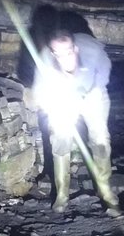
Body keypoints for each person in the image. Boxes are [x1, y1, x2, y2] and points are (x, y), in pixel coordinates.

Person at [37, 30, 119, 215]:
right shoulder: (45, 61)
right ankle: (62, 195)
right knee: (60, 141)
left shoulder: (92, 50)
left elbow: (104, 71)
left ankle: (105, 191)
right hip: (64, 96)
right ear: (52, 53)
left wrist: (92, 89)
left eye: (67, 52)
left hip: (93, 92)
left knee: (100, 139)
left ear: (75, 48)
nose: (63, 57)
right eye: (58, 54)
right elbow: (40, 90)